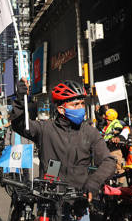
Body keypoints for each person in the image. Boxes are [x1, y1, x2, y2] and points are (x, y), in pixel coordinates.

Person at [10, 79, 116, 219]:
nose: (81, 108)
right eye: (75, 104)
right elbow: (19, 124)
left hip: (78, 205)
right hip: (49, 204)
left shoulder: (90, 132)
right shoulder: (45, 129)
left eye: (82, 103)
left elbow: (109, 161)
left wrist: (94, 181)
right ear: (61, 109)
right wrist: (20, 99)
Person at [102, 108, 126, 185]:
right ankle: (109, 183)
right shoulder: (107, 126)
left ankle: (120, 183)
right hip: (107, 148)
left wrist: (115, 132)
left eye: (107, 119)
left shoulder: (116, 123)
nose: (106, 121)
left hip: (114, 148)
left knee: (119, 166)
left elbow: (118, 129)